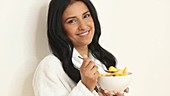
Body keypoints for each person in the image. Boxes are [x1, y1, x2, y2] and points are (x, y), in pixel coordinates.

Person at [32, 0, 129, 96]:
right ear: (59, 28)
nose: (83, 26)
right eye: (72, 21)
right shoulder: (50, 68)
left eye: (86, 16)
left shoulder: (102, 61)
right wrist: (85, 87)